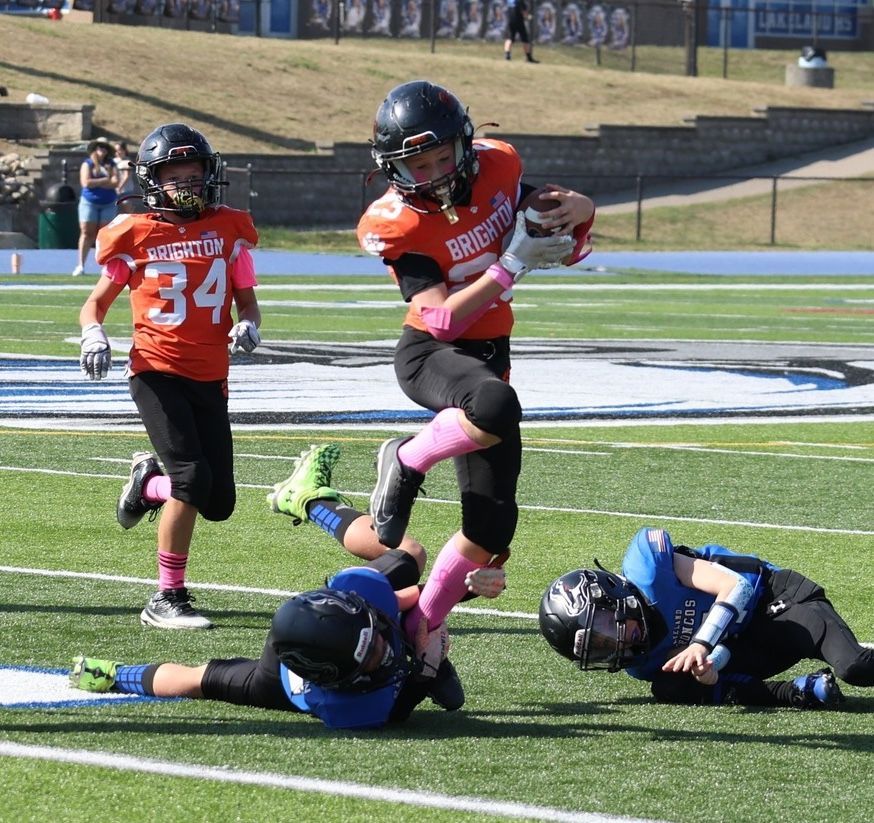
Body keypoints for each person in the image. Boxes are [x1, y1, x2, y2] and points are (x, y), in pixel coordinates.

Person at [357, 80, 595, 649]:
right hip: (432, 355)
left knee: (490, 530)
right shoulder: (397, 223)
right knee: (494, 404)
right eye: (419, 164)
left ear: (465, 145)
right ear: (393, 168)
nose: (435, 173)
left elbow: (562, 229)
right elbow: (441, 321)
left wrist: (583, 210)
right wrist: (511, 265)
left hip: (490, 353)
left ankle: (423, 626)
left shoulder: (499, 166)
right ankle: (408, 459)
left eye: (444, 157)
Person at [68, 452, 466, 730]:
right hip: (288, 670)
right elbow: (398, 709)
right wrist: (425, 673)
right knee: (198, 681)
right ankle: (113, 674)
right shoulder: (349, 707)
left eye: (375, 640)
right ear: (334, 678)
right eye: (374, 654)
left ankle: (309, 500)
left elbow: (419, 593)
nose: (384, 649)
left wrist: (464, 587)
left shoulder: (364, 599)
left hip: (332, 613)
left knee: (409, 553)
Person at [77, 122, 262, 630]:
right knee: (193, 478)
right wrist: (95, 335)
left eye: (194, 173)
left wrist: (248, 324)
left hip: (210, 375)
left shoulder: (229, 231)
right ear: (153, 180)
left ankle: (147, 482)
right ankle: (166, 597)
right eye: (174, 175)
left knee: (218, 501)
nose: (187, 183)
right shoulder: (134, 234)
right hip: (155, 370)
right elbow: (94, 305)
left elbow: (248, 302)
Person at [539, 526, 874, 709]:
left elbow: (736, 586)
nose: (613, 644)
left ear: (610, 596)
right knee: (670, 686)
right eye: (597, 647)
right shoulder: (639, 663)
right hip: (746, 644)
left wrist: (701, 643)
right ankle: (800, 691)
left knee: (854, 667)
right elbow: (722, 653)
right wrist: (711, 667)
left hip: (777, 603)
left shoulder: (650, 569)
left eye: (602, 630)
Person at [73, 137, 119, 277]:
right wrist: (105, 180)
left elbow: (115, 182)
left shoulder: (111, 164)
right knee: (87, 233)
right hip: (89, 202)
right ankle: (81, 265)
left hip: (108, 202)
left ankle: (106, 265)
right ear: (95, 149)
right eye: (99, 147)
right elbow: (86, 182)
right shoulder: (87, 164)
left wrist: (98, 182)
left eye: (104, 148)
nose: (102, 150)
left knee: (105, 234)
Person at [113, 141, 138, 214]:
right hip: (115, 190)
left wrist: (119, 187)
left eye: (119, 149)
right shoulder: (113, 161)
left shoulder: (127, 161)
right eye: (115, 150)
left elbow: (126, 176)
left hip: (126, 190)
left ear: (124, 150)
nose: (117, 152)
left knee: (127, 211)